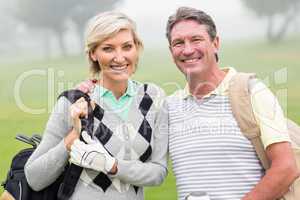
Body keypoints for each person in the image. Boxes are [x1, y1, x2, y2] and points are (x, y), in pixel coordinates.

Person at [24, 11, 168, 200]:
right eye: (108, 48)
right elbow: (34, 178)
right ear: (93, 53)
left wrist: (112, 165)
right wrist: (72, 139)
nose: (119, 57)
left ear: (137, 48)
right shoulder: (72, 102)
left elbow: (158, 172)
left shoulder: (154, 98)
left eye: (127, 47)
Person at [164, 6, 299, 200]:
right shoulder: (170, 107)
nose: (188, 49)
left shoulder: (251, 91)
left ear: (215, 43)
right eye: (178, 43)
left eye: (196, 39)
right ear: (171, 51)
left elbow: (286, 168)